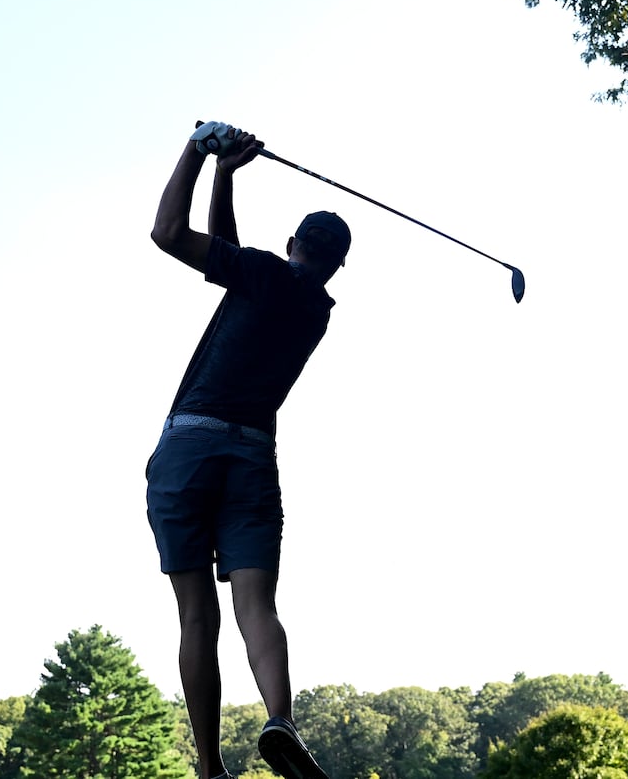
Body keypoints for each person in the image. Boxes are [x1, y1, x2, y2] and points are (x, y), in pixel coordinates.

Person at [146, 121, 350, 779]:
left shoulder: (263, 273)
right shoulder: (315, 309)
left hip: (190, 447)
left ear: (293, 244)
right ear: (336, 264)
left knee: (195, 615)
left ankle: (210, 767)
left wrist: (197, 149)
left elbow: (171, 236)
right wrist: (227, 176)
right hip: (253, 457)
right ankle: (279, 719)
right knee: (257, 607)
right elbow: (228, 258)